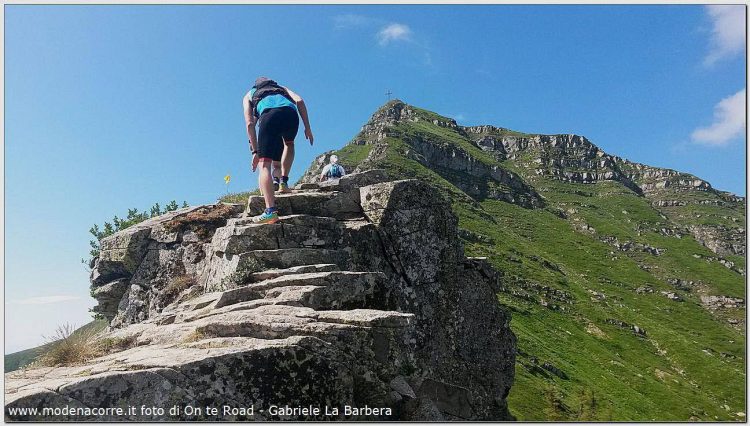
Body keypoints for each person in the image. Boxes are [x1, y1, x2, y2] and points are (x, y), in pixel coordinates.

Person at [243, 77, 314, 224]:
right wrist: (307, 128)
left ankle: (270, 211)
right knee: (289, 144)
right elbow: (299, 101)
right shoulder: (282, 88)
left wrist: (255, 151)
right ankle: (284, 182)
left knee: (264, 165)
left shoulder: (250, 94)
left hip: (269, 116)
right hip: (291, 115)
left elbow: (250, 123)